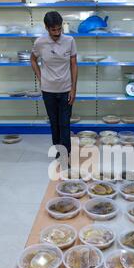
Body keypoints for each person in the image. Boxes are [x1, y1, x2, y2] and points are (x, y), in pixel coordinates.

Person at [31, 11, 78, 162]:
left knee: (65, 123)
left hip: (66, 89)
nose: (57, 33)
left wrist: (73, 88)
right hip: (48, 90)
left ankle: (66, 154)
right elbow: (32, 60)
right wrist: (40, 78)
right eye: (53, 30)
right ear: (46, 28)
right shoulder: (40, 42)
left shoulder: (70, 40)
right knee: (54, 123)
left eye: (59, 29)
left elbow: (74, 65)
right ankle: (58, 152)